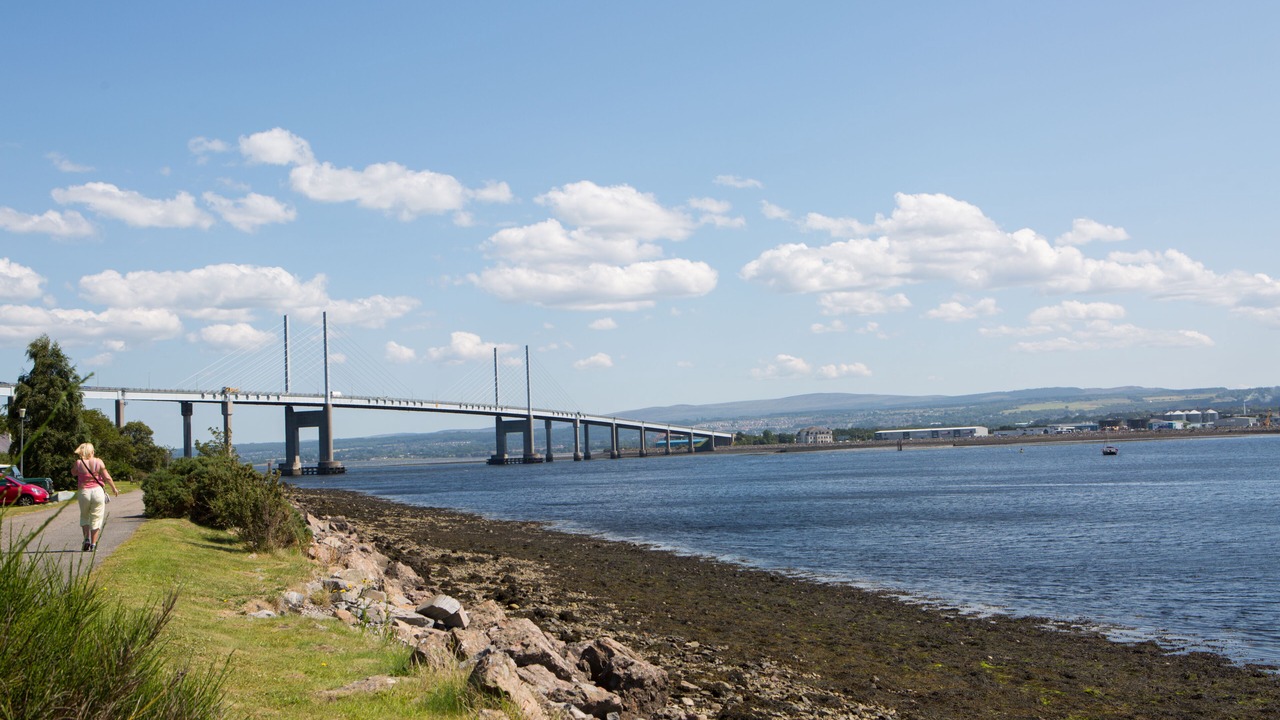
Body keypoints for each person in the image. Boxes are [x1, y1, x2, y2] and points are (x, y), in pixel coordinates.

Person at [73, 443, 119, 552]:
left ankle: (86, 539)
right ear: (92, 451)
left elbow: (73, 473)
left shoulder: (78, 463)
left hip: (84, 492)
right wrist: (114, 488)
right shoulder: (99, 462)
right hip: (97, 491)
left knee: (84, 516)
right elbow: (106, 477)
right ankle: (93, 544)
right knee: (96, 517)